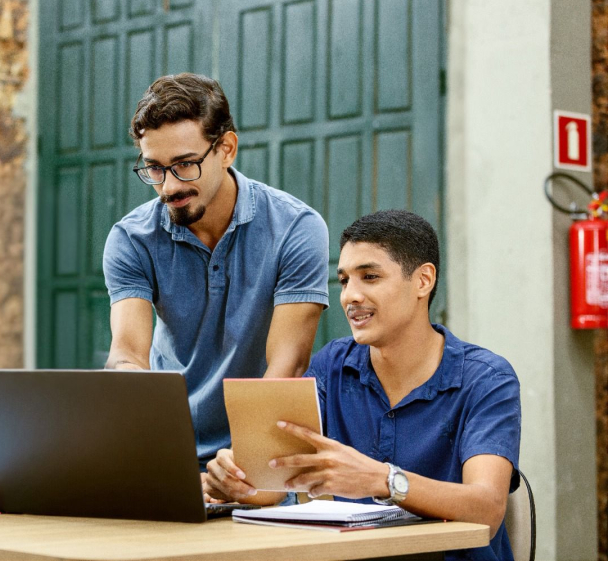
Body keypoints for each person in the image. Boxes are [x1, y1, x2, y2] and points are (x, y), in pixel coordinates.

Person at [204, 210, 521, 561]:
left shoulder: (487, 379)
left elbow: (487, 509)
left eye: (369, 277)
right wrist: (237, 479)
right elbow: (274, 485)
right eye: (344, 280)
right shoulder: (332, 365)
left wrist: (384, 480)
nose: (350, 297)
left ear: (423, 281)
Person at [102, 73, 329, 468]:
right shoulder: (131, 239)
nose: (169, 186)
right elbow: (127, 353)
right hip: (169, 455)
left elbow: (287, 364)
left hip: (260, 456)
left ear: (226, 149)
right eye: (154, 168)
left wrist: (245, 465)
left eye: (185, 164)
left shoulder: (297, 228)